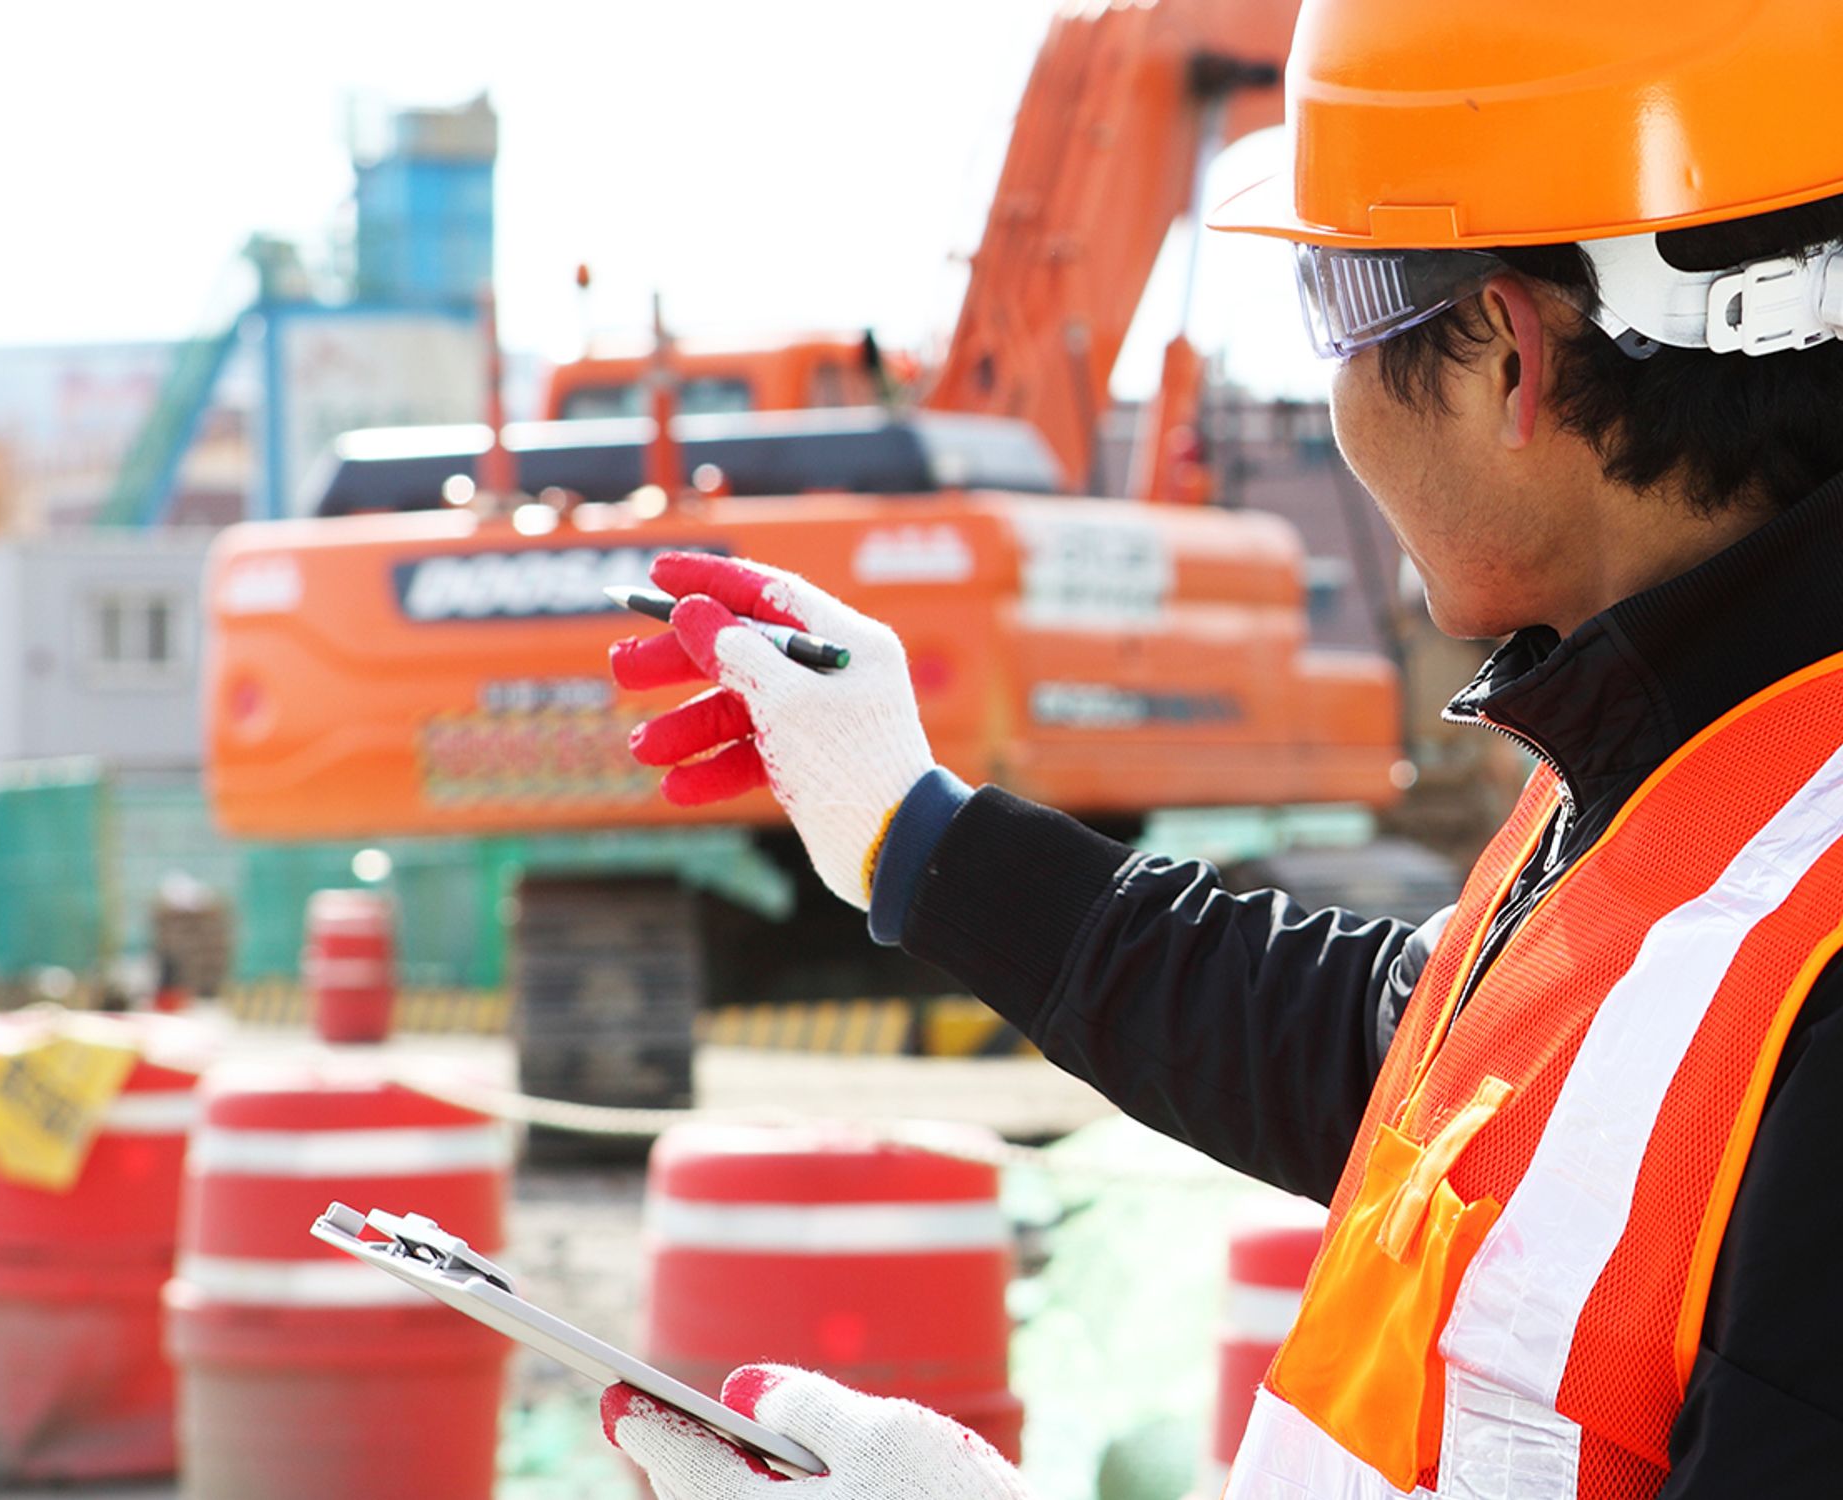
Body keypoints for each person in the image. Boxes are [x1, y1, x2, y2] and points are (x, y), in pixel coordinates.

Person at [602, 1, 1843, 1494]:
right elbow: (1436, 1081)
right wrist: (908, 826)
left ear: (1510, 357)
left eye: (1337, 316)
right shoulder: (1714, 765)